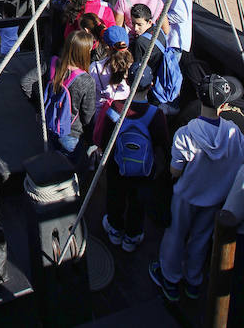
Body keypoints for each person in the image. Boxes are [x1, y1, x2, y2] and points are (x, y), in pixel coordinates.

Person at [150, 74, 244, 302]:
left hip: (186, 196)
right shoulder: (234, 134)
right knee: (202, 238)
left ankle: (170, 279)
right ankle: (194, 281)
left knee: (176, 235)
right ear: (224, 104)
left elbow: (175, 171)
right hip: (214, 198)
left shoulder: (187, 133)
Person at [101, 63, 169, 252]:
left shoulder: (116, 108)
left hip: (118, 165)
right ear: (151, 85)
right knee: (138, 202)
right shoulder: (156, 115)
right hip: (144, 169)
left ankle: (114, 229)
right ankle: (132, 236)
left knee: (115, 196)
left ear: (129, 82)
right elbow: (163, 142)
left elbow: (106, 137)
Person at [22, 30, 96, 169]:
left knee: (54, 166)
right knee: (73, 171)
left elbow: (26, 82)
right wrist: (91, 139)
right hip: (72, 133)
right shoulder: (86, 81)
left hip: (50, 125)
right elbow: (88, 116)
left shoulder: (52, 63)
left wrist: (39, 108)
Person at [89, 24, 132, 117]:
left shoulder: (95, 68)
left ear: (107, 47)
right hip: (126, 116)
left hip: (101, 116)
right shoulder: (133, 68)